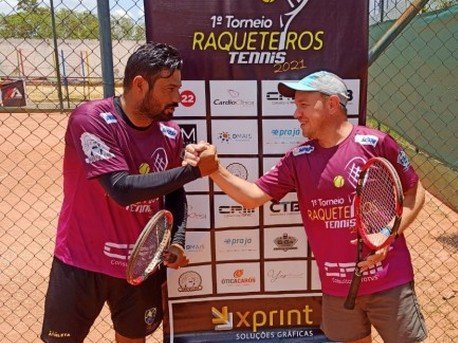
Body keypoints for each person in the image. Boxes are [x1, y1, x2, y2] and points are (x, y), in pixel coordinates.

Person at [184, 71, 427, 343]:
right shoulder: (298, 159)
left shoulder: (376, 143)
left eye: (303, 105)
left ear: (332, 104)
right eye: (295, 105)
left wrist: (388, 234)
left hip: (388, 281)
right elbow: (252, 197)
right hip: (337, 289)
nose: (296, 113)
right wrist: (215, 170)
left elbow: (415, 193)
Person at [41, 42, 218, 343]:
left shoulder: (172, 133)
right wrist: (195, 170)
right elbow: (120, 188)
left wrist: (176, 241)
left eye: (179, 89)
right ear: (139, 84)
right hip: (81, 262)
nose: (177, 98)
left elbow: (175, 193)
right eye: (169, 89)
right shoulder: (91, 119)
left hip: (140, 265)